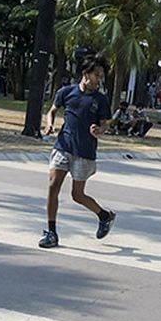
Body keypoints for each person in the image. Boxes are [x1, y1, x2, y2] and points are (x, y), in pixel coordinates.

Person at [39, 55, 117, 249]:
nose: (99, 79)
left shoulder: (100, 100)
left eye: (101, 76)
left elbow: (103, 126)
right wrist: (49, 124)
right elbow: (52, 111)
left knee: (77, 195)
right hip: (63, 146)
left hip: (85, 151)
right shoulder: (67, 92)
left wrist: (99, 131)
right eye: (96, 75)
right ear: (85, 73)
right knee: (52, 186)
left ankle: (104, 216)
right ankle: (51, 232)